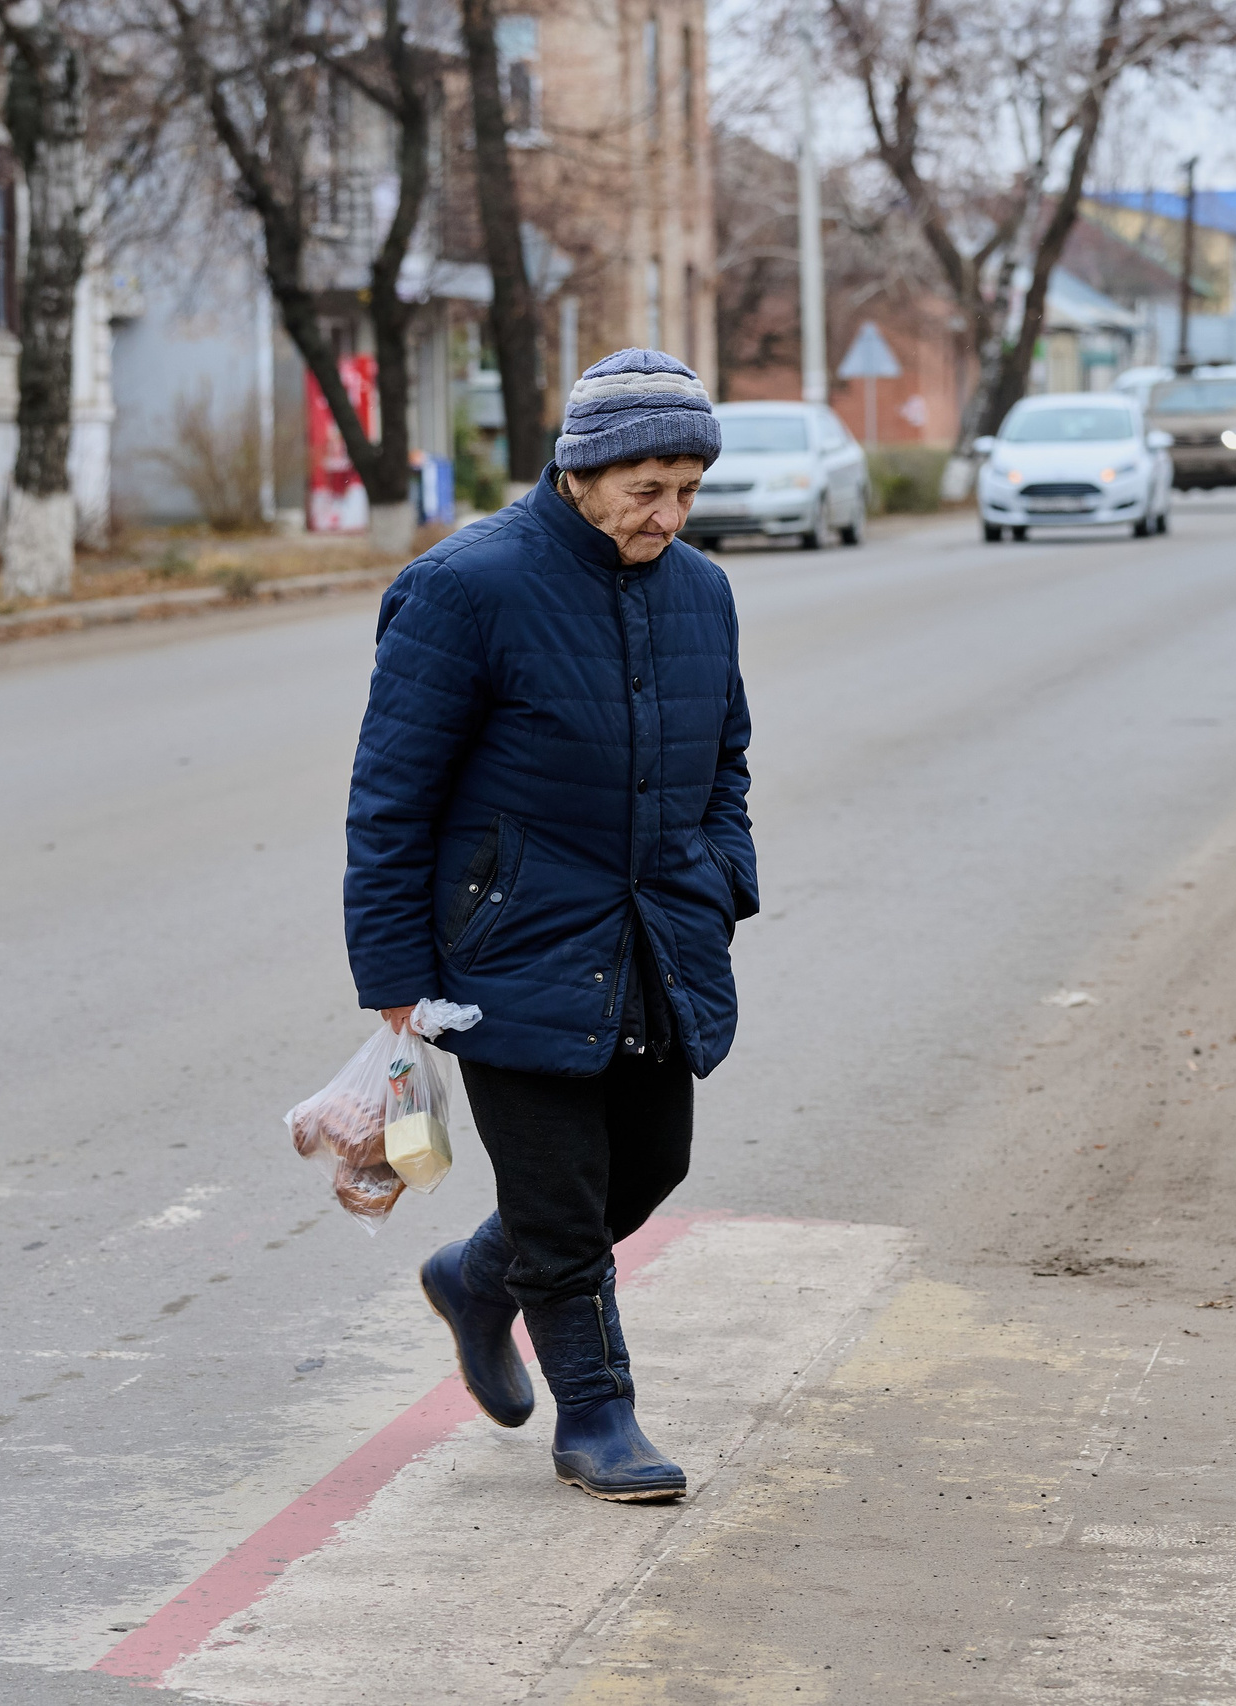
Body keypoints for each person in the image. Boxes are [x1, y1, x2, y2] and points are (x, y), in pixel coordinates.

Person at [343, 348, 759, 1502]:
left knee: (651, 1160)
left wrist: (721, 875)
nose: (670, 515)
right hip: (506, 949)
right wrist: (394, 972)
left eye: (687, 490)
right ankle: (600, 1417)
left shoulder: (702, 593)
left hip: (653, 939)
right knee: (563, 1199)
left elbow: (725, 760)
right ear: (580, 472)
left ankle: (478, 1280)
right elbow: (391, 797)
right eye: (647, 490)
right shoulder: (466, 588)